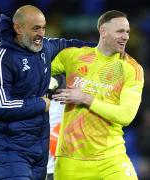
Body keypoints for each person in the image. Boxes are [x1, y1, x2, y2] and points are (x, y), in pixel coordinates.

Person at [0, 5, 96, 180]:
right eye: (35, 28)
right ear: (18, 28)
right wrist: (40, 103)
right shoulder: (1, 57)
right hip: (9, 146)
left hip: (37, 146)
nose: (41, 33)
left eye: (43, 27)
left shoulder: (45, 48)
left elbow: (72, 46)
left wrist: (107, 49)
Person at [51, 10, 144, 179]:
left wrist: (85, 98)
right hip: (70, 160)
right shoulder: (73, 56)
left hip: (110, 159)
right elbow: (35, 73)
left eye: (128, 32)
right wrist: (4, 51)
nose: (126, 37)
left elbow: (126, 116)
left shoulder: (131, 69)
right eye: (120, 31)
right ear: (103, 31)